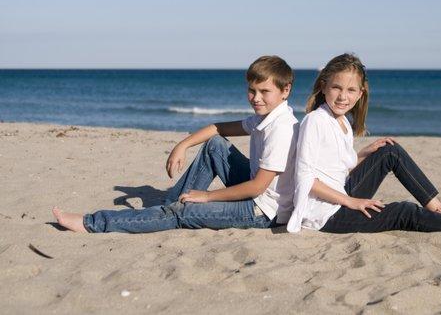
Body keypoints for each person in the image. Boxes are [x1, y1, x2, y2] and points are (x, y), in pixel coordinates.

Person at [287, 53, 441, 237]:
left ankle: (440, 210)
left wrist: (364, 154)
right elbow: (306, 178)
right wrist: (352, 202)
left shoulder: (340, 121)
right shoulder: (315, 121)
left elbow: (333, 168)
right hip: (325, 215)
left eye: (351, 90)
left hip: (339, 195)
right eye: (337, 88)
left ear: (360, 93)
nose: (343, 96)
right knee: (404, 211)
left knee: (390, 150)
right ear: (324, 86)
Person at [53, 56, 298, 233]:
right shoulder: (264, 118)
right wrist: (182, 145)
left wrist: (208, 196)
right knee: (215, 145)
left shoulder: (281, 128)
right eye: (251, 90)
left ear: (285, 90)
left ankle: (91, 223)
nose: (256, 98)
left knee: (181, 212)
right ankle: (168, 208)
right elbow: (218, 129)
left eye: (264, 91)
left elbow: (256, 188)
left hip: (263, 211)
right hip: (259, 193)